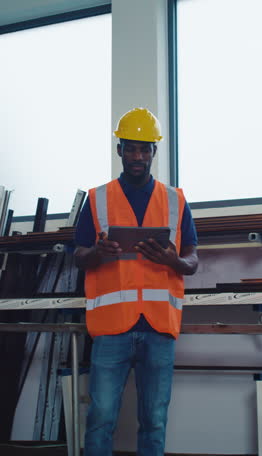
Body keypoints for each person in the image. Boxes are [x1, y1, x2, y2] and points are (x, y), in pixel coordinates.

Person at [74, 107, 198, 456]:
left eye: (145, 149)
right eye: (131, 148)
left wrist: (175, 260)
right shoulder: (97, 199)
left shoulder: (175, 200)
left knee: (155, 420)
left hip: (159, 329)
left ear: (155, 152)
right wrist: (98, 253)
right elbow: (78, 256)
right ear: (120, 150)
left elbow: (192, 260)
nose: (138, 156)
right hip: (112, 328)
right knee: (100, 417)